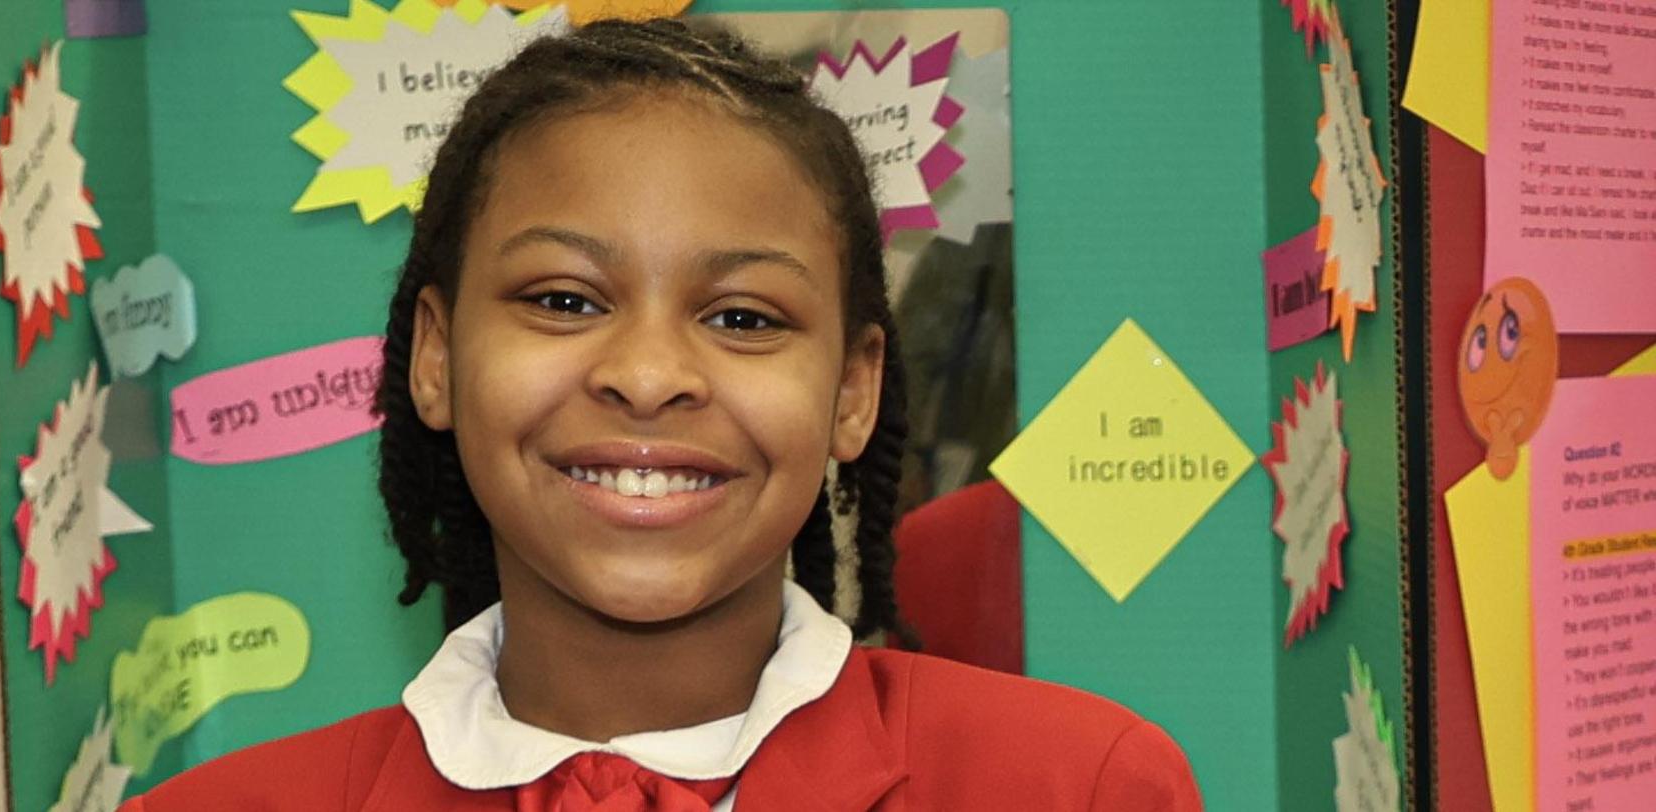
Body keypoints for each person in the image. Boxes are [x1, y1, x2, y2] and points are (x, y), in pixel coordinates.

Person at [122, 19, 1201, 811]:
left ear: (853, 389)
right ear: (437, 356)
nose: (647, 375)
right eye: (561, 299)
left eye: (741, 315)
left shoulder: (1075, 784)